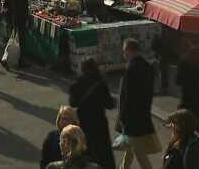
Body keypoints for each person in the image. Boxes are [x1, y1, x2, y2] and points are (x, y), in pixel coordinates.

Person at [118, 38, 161, 169]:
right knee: (130, 146)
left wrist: (123, 117)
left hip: (132, 116)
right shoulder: (147, 67)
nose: (123, 54)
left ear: (130, 51)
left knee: (137, 149)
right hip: (143, 113)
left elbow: (128, 96)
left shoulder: (130, 69)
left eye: (124, 51)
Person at [69, 58, 116, 169]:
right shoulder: (101, 84)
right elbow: (109, 104)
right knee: (103, 152)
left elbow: (73, 103)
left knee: (87, 150)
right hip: (100, 123)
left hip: (84, 123)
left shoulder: (75, 85)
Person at [5, 0, 30, 69]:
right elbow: (17, 9)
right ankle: (18, 61)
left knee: (14, 40)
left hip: (15, 19)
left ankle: (7, 58)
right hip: (19, 20)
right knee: (19, 42)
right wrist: (16, 22)